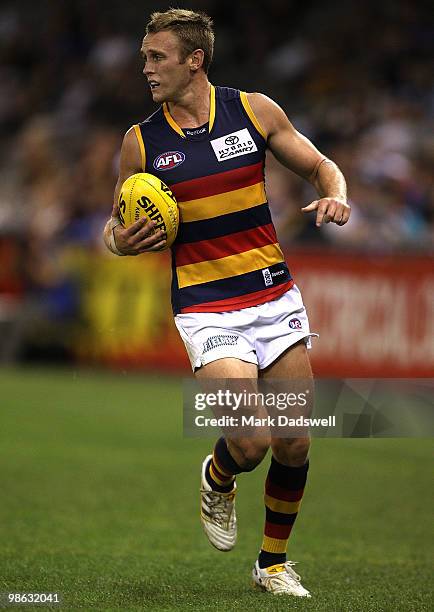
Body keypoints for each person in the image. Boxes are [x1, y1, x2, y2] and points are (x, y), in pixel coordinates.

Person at [103, 8, 350, 598]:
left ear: (196, 61)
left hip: (273, 292)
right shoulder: (140, 142)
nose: (146, 69)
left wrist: (335, 195)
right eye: (144, 57)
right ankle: (218, 474)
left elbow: (320, 166)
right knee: (251, 443)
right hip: (206, 307)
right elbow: (113, 227)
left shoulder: (255, 111)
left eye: (156, 57)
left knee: (294, 440)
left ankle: (272, 564)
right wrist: (120, 240)